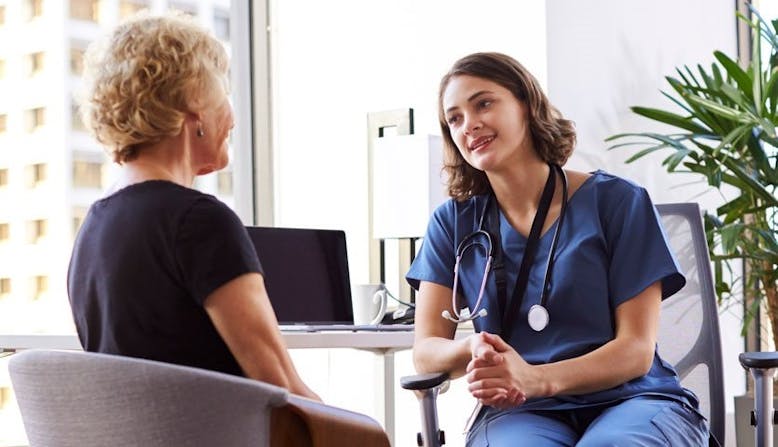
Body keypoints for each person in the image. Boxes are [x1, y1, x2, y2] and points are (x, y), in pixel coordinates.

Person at [406, 52, 709, 446]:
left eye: (483, 103)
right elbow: (426, 352)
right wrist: (470, 346)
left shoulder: (617, 202)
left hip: (635, 398)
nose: (470, 124)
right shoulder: (454, 223)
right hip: (520, 412)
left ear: (527, 106)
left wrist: (537, 378)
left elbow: (635, 350)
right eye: (455, 118)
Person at [67, 11, 319, 401]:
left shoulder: (93, 229)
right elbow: (284, 389)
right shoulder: (200, 222)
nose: (232, 113)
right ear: (194, 106)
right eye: (224, 88)